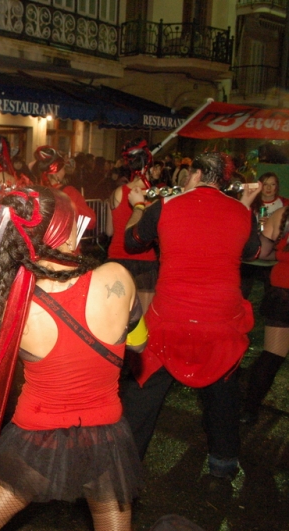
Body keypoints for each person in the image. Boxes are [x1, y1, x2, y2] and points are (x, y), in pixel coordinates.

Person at [0, 188, 142, 531]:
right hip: (105, 436)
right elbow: (139, 344)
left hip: (36, 438)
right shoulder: (117, 278)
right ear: (65, 232)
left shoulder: (13, 304)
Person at [120, 152, 266, 480]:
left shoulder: (164, 207)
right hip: (220, 323)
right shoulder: (240, 213)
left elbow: (132, 242)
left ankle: (124, 466)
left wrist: (139, 205)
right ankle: (223, 464)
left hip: (170, 320)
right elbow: (252, 252)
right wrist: (244, 204)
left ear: (197, 174)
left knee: (143, 392)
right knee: (223, 394)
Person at [240, 204, 289, 424]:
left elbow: (263, 251)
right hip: (283, 292)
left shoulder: (283, 214)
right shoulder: (283, 213)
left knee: (272, 355)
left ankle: (249, 408)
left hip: (283, 290)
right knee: (272, 356)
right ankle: (249, 407)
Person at [105, 139, 159, 313]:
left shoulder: (117, 192)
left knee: (117, 318)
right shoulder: (154, 195)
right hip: (145, 261)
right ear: (148, 167)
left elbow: (109, 231)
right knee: (143, 318)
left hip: (117, 259)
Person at [32, 146, 96, 230]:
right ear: (56, 173)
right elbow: (90, 220)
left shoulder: (34, 191)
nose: (65, 171)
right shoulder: (68, 192)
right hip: (63, 240)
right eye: (63, 168)